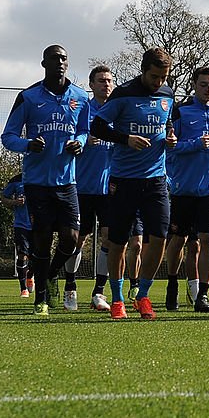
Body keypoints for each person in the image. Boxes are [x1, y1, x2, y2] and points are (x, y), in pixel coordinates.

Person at [1, 45, 90, 316]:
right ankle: (41, 297)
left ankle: (50, 274)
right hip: (37, 183)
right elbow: (8, 137)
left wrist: (81, 143)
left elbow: (85, 129)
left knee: (71, 239)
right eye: (55, 58)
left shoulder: (80, 97)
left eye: (64, 58)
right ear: (44, 63)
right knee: (40, 241)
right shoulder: (28, 97)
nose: (60, 62)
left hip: (67, 182)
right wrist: (28, 145)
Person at [89, 47, 175, 320]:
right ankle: (117, 299)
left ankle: (143, 295)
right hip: (123, 181)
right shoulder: (124, 94)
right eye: (154, 76)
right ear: (143, 69)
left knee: (160, 238)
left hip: (156, 180)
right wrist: (126, 139)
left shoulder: (167, 95)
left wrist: (169, 138)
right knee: (118, 242)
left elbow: (166, 125)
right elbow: (98, 127)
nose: (159, 82)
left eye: (163, 77)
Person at [164, 67, 209, 314]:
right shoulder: (180, 111)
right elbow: (170, 147)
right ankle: (172, 283)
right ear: (194, 85)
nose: (208, 88)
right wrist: (193, 144)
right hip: (184, 188)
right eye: (203, 84)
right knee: (178, 239)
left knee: (208, 239)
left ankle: (202, 294)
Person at [72, 65, 115, 312]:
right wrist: (85, 141)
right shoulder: (83, 110)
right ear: (92, 84)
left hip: (110, 187)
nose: (106, 84)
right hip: (82, 185)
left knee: (109, 237)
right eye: (101, 80)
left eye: (109, 80)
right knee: (78, 238)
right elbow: (72, 136)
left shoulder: (118, 112)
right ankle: (70, 286)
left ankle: (99, 292)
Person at [2, 172, 33, 298]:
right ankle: (23, 288)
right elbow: (3, 198)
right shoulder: (16, 180)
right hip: (21, 224)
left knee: (39, 256)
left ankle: (30, 275)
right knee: (22, 255)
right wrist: (15, 202)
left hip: (39, 224)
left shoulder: (42, 176)